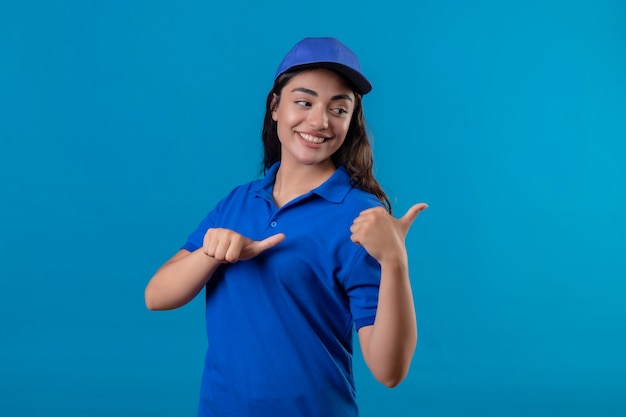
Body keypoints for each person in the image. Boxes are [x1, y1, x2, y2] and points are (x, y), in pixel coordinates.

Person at [144, 37, 428, 417]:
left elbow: (389, 371)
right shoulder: (239, 202)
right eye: (304, 102)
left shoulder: (362, 218)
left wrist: (395, 262)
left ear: (351, 121)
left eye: (338, 109)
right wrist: (212, 256)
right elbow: (156, 297)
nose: (319, 121)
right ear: (275, 106)